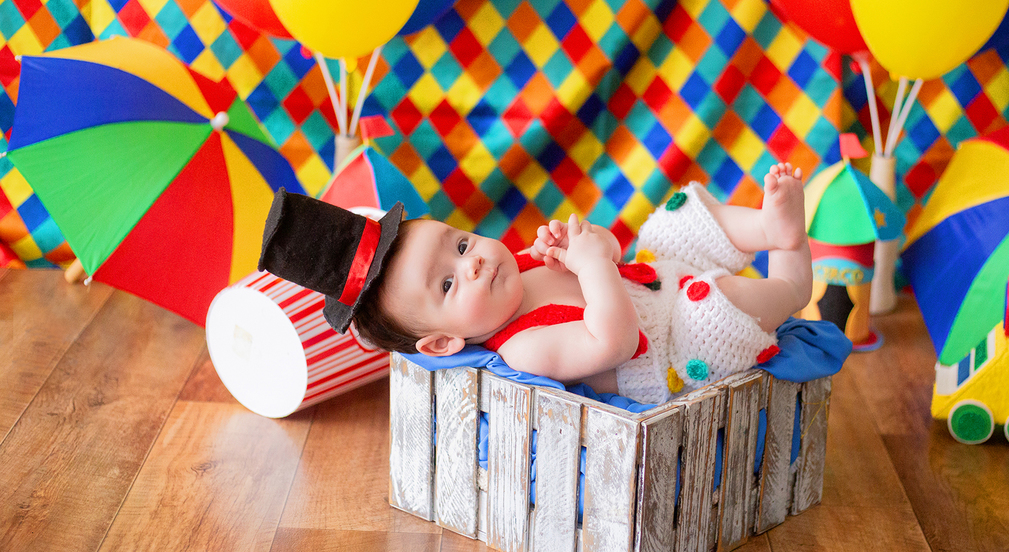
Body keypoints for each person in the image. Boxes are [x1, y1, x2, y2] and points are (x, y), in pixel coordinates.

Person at [258, 164, 813, 405]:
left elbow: (613, 255)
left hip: (654, 281)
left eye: (460, 244)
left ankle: (770, 228)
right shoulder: (523, 347)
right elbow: (614, 342)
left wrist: (580, 247)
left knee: (669, 222)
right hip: (669, 347)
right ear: (444, 343)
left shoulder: (520, 264)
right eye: (448, 285)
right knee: (713, 306)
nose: (473, 262)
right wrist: (591, 266)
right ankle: (791, 288)